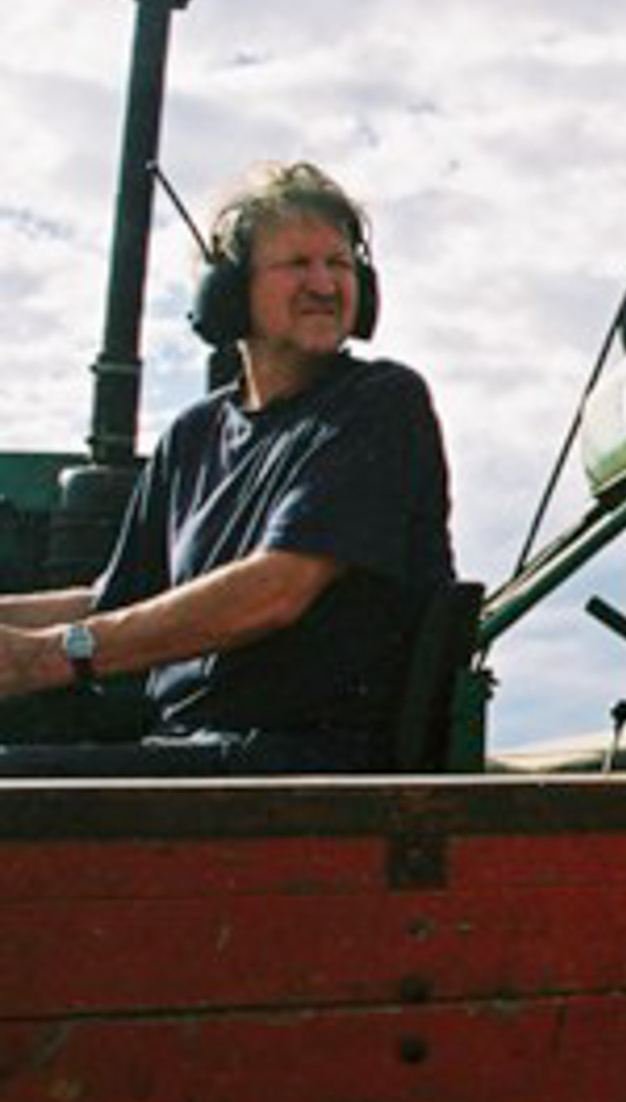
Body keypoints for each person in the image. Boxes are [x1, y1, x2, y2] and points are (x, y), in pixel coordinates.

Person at [0, 161, 454, 775]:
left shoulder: (378, 403)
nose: (324, 283)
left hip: (307, 762)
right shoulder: (192, 437)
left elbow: (277, 590)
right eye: (297, 264)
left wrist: (47, 658)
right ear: (229, 292)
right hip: (188, 748)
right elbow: (113, 600)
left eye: (339, 264)